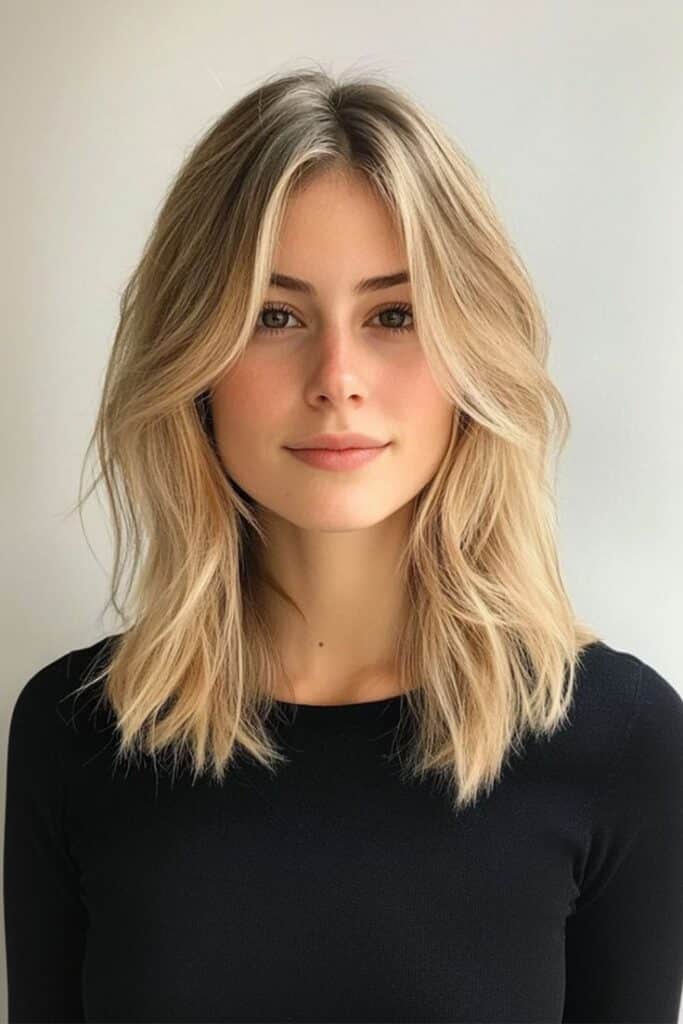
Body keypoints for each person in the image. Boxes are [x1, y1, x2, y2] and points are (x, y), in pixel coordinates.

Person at [4, 65, 682, 1023]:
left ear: (472, 355)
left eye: (393, 315)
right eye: (274, 316)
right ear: (193, 361)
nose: (337, 377)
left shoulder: (619, 739)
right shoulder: (77, 734)